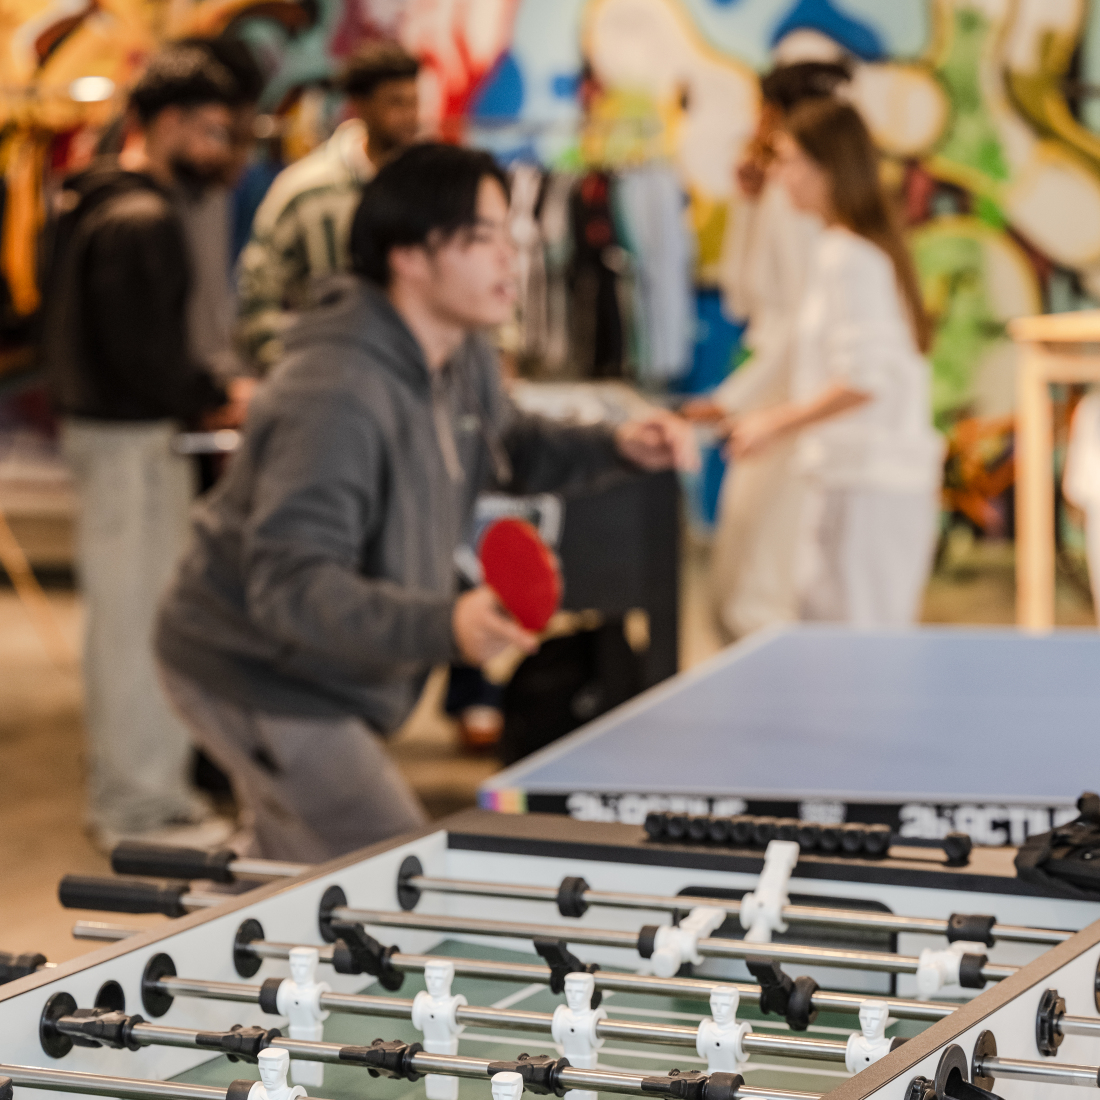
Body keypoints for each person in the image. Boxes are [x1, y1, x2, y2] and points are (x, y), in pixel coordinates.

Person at [156, 143, 697, 862]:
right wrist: (446, 623)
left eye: (510, 234)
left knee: (290, 867)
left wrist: (617, 445)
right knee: (397, 880)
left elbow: (509, 444)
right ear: (409, 256)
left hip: (327, 668)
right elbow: (290, 586)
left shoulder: (459, 350)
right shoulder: (335, 393)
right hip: (257, 670)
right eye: (482, 238)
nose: (511, 256)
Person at [43, 45, 255, 849]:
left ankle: (145, 795)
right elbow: (144, 356)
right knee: (135, 627)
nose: (224, 154)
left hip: (116, 440)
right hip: (131, 446)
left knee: (131, 620)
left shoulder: (88, 199)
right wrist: (212, 394)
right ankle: (138, 808)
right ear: (164, 123)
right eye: (212, 132)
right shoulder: (141, 218)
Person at [723, 99, 942, 627]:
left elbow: (866, 380)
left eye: (789, 160)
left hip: (873, 489)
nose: (779, 175)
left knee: (864, 649)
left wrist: (774, 422)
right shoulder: (839, 250)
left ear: (827, 168)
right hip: (850, 479)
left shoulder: (851, 258)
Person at [686, 61, 849, 641]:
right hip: (773, 384)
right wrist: (749, 205)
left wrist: (738, 398)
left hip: (790, 393)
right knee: (748, 564)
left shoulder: (807, 205)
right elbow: (742, 291)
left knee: (759, 580)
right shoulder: (780, 194)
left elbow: (797, 324)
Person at [236, 42, 420, 370]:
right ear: (361, 106)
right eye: (396, 102)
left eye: (414, 102)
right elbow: (258, 290)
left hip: (417, 378)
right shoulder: (306, 189)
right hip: (333, 377)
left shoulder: (432, 188)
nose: (410, 116)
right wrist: (286, 372)